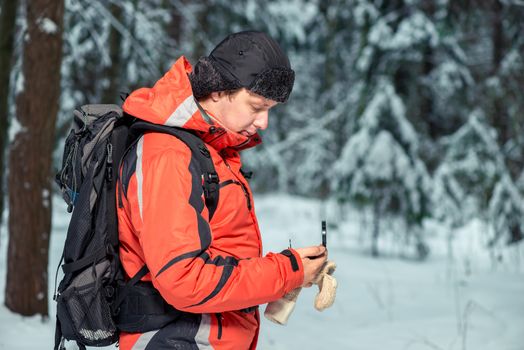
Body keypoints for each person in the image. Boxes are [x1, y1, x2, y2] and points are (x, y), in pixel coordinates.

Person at [116, 30, 328, 350]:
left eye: (270, 109)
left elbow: (222, 254)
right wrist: (286, 271)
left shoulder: (212, 151)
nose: (264, 122)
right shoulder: (168, 154)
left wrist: (289, 273)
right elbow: (183, 280)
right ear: (217, 92)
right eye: (257, 106)